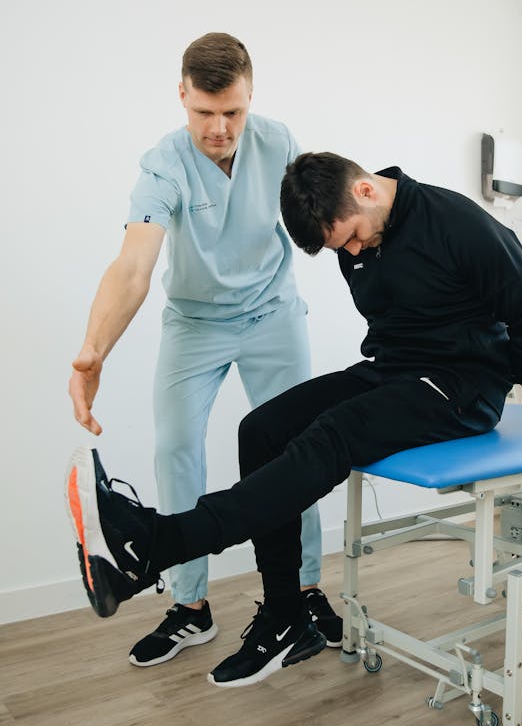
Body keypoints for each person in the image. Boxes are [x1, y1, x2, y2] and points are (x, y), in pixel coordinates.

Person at [65, 151, 522, 688]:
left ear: (366, 191)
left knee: (334, 434)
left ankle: (158, 544)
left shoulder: (464, 227)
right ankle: (285, 614)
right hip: (392, 371)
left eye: (353, 238)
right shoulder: (355, 234)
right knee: (261, 429)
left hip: (458, 387)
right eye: (340, 248)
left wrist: (482, 378)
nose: (352, 252)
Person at [67, 37, 342, 670]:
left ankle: (303, 589)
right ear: (182, 95)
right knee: (175, 449)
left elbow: (318, 219)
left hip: (272, 314)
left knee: (299, 450)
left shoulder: (278, 142)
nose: (219, 128)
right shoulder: (164, 164)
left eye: (233, 112)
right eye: (204, 113)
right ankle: (190, 605)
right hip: (195, 323)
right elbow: (134, 266)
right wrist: (94, 351)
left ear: (251, 98)